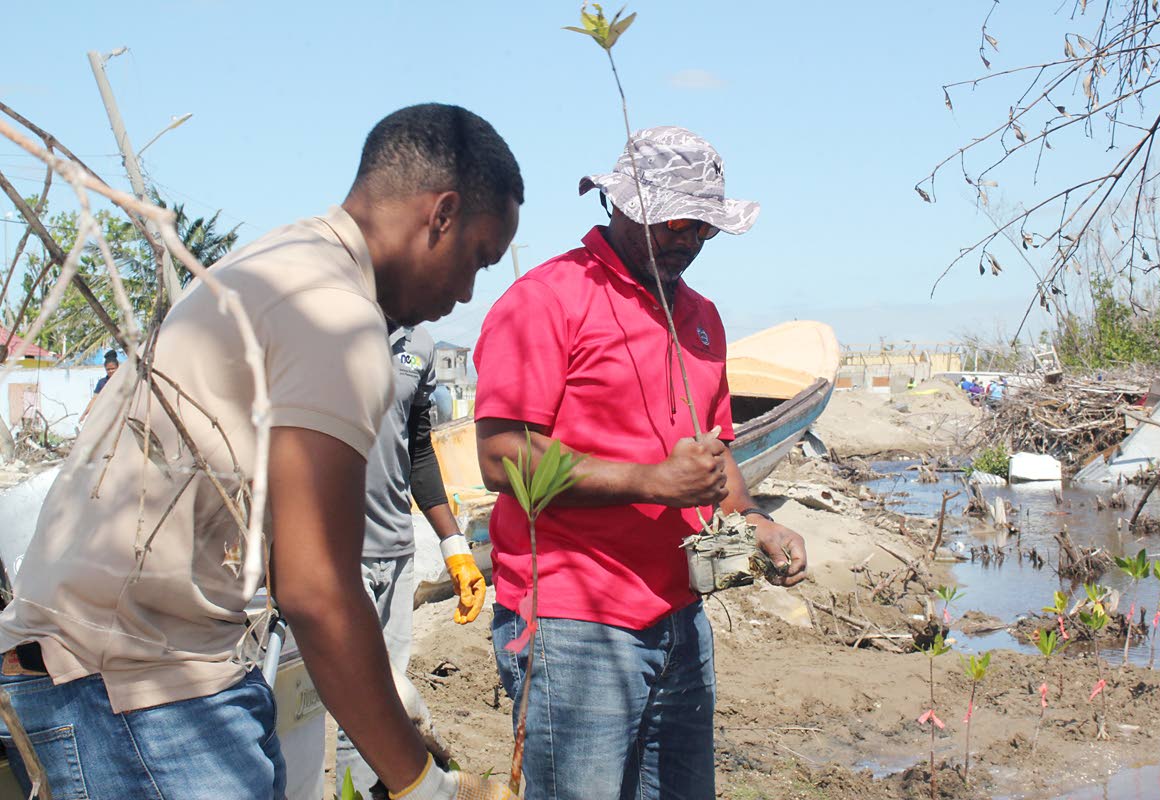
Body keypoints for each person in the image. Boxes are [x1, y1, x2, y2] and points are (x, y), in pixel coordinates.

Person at [0, 103, 522, 800]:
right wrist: (419, 782)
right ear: (441, 215)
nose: (465, 294)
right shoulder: (337, 318)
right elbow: (316, 588)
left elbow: (284, 547)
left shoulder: (278, 262)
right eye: (477, 260)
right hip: (136, 689)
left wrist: (386, 695)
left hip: (128, 669)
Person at [473, 126, 809, 800]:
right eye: (675, 221)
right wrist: (650, 482)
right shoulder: (548, 299)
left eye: (703, 227)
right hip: (573, 620)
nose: (687, 239)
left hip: (679, 619)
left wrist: (752, 519)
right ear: (621, 205)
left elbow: (716, 452)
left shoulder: (703, 317)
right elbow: (500, 456)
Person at [336, 322, 488, 796]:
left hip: (396, 553)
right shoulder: (330, 321)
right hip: (335, 554)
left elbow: (418, 450)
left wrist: (456, 548)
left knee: (387, 703)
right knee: (352, 707)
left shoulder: (419, 343)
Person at [78, 349, 119, 423]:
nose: (110, 371)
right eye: (108, 369)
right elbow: (94, 399)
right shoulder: (102, 383)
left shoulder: (124, 380)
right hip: (107, 416)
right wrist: (84, 414)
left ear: (118, 367)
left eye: (113, 369)